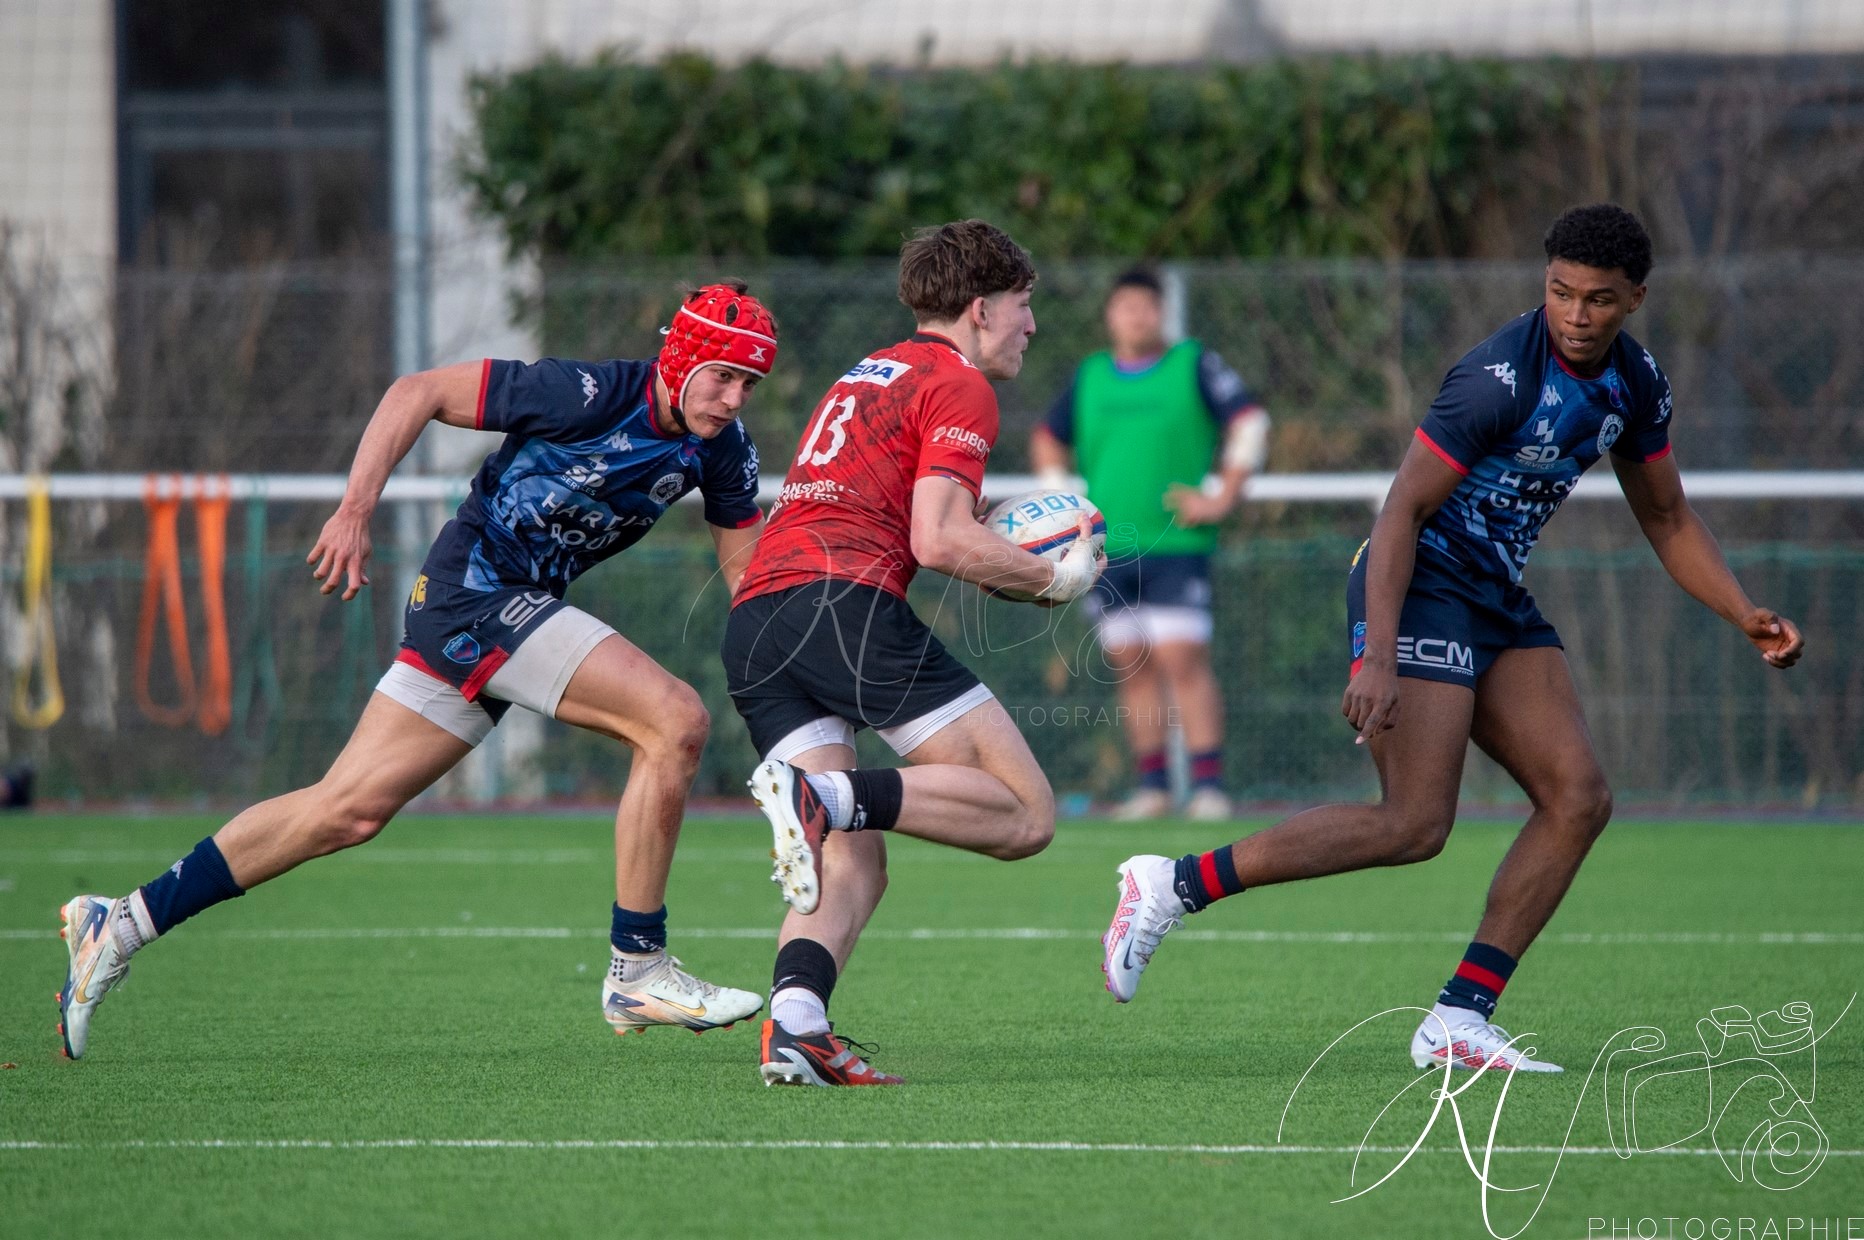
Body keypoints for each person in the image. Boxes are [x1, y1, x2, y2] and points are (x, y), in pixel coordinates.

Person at [1099, 205, 1804, 1073]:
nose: (1577, 314)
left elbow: (1665, 514)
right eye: (1561, 292)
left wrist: (1742, 611)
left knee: (1580, 797)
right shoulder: (1497, 378)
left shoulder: (1638, 385)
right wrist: (1377, 655)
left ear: (1636, 300)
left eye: (1599, 300)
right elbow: (1401, 509)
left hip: (1494, 594)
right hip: (1420, 580)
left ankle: (1458, 1019)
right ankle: (1170, 885)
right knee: (1413, 824)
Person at [56, 282, 781, 1059]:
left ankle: (122, 920)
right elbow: (419, 391)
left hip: (497, 613)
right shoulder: (587, 392)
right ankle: (638, 966)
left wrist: (797, 657)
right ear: (681, 357)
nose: (734, 397)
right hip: (476, 597)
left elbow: (747, 583)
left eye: (749, 384)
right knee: (674, 719)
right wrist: (355, 509)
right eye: (722, 375)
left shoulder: (724, 451)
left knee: (345, 810)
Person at [720, 220, 1103, 1087]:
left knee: (854, 852)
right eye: (1023, 304)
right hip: (840, 606)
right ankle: (820, 797)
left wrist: (1000, 552)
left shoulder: (870, 369)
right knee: (1024, 814)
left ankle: (796, 1025)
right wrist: (1051, 580)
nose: (1031, 324)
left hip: (758, 619)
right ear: (978, 308)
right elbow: (937, 539)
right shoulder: (961, 384)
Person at [1031, 267, 1269, 821]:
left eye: (1147, 306)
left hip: (1177, 540)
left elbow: (1250, 421)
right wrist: (1060, 502)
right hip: (1109, 546)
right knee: (1129, 661)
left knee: (1182, 659)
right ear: (1110, 315)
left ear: (1161, 312)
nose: (1137, 316)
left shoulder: (1194, 364)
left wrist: (1224, 494)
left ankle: (1208, 787)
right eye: (1125, 306)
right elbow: (1048, 436)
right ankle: (1154, 787)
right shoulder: (1090, 375)